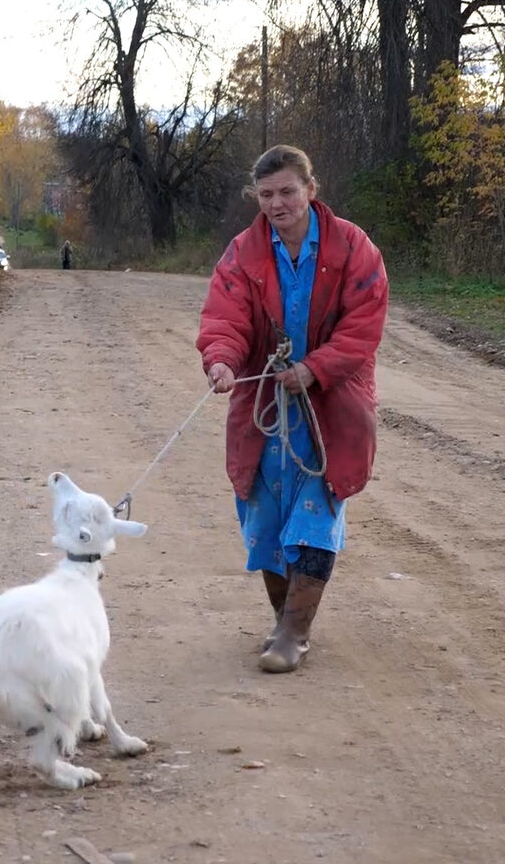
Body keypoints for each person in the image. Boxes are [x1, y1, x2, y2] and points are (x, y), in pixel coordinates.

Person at [195, 144, 388, 674]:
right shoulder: (241, 253)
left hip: (333, 403)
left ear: (310, 189)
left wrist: (315, 368)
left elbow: (362, 327)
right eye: (266, 195)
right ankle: (284, 618)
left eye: (286, 191)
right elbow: (225, 318)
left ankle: (295, 635)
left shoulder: (355, 248)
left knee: (316, 514)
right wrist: (221, 361)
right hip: (265, 406)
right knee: (265, 517)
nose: (277, 203)